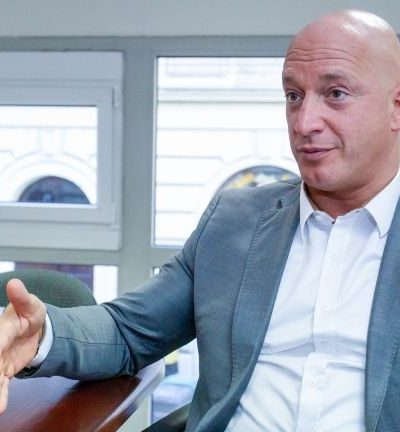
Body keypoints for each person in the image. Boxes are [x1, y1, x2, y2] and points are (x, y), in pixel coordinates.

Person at [1, 8, 400, 431]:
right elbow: (129, 330)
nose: (304, 123)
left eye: (335, 93)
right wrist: (40, 334)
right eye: (293, 96)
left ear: (396, 107)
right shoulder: (235, 222)